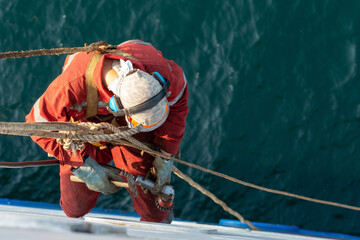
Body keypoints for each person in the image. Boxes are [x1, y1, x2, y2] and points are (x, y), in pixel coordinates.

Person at [25, 39, 189, 223]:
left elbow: (179, 102)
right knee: (74, 207)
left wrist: (166, 154)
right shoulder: (71, 84)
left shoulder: (162, 71)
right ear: (116, 105)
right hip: (84, 137)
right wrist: (82, 165)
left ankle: (159, 217)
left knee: (155, 213)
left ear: (158, 81)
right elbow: (37, 124)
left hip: (132, 133)